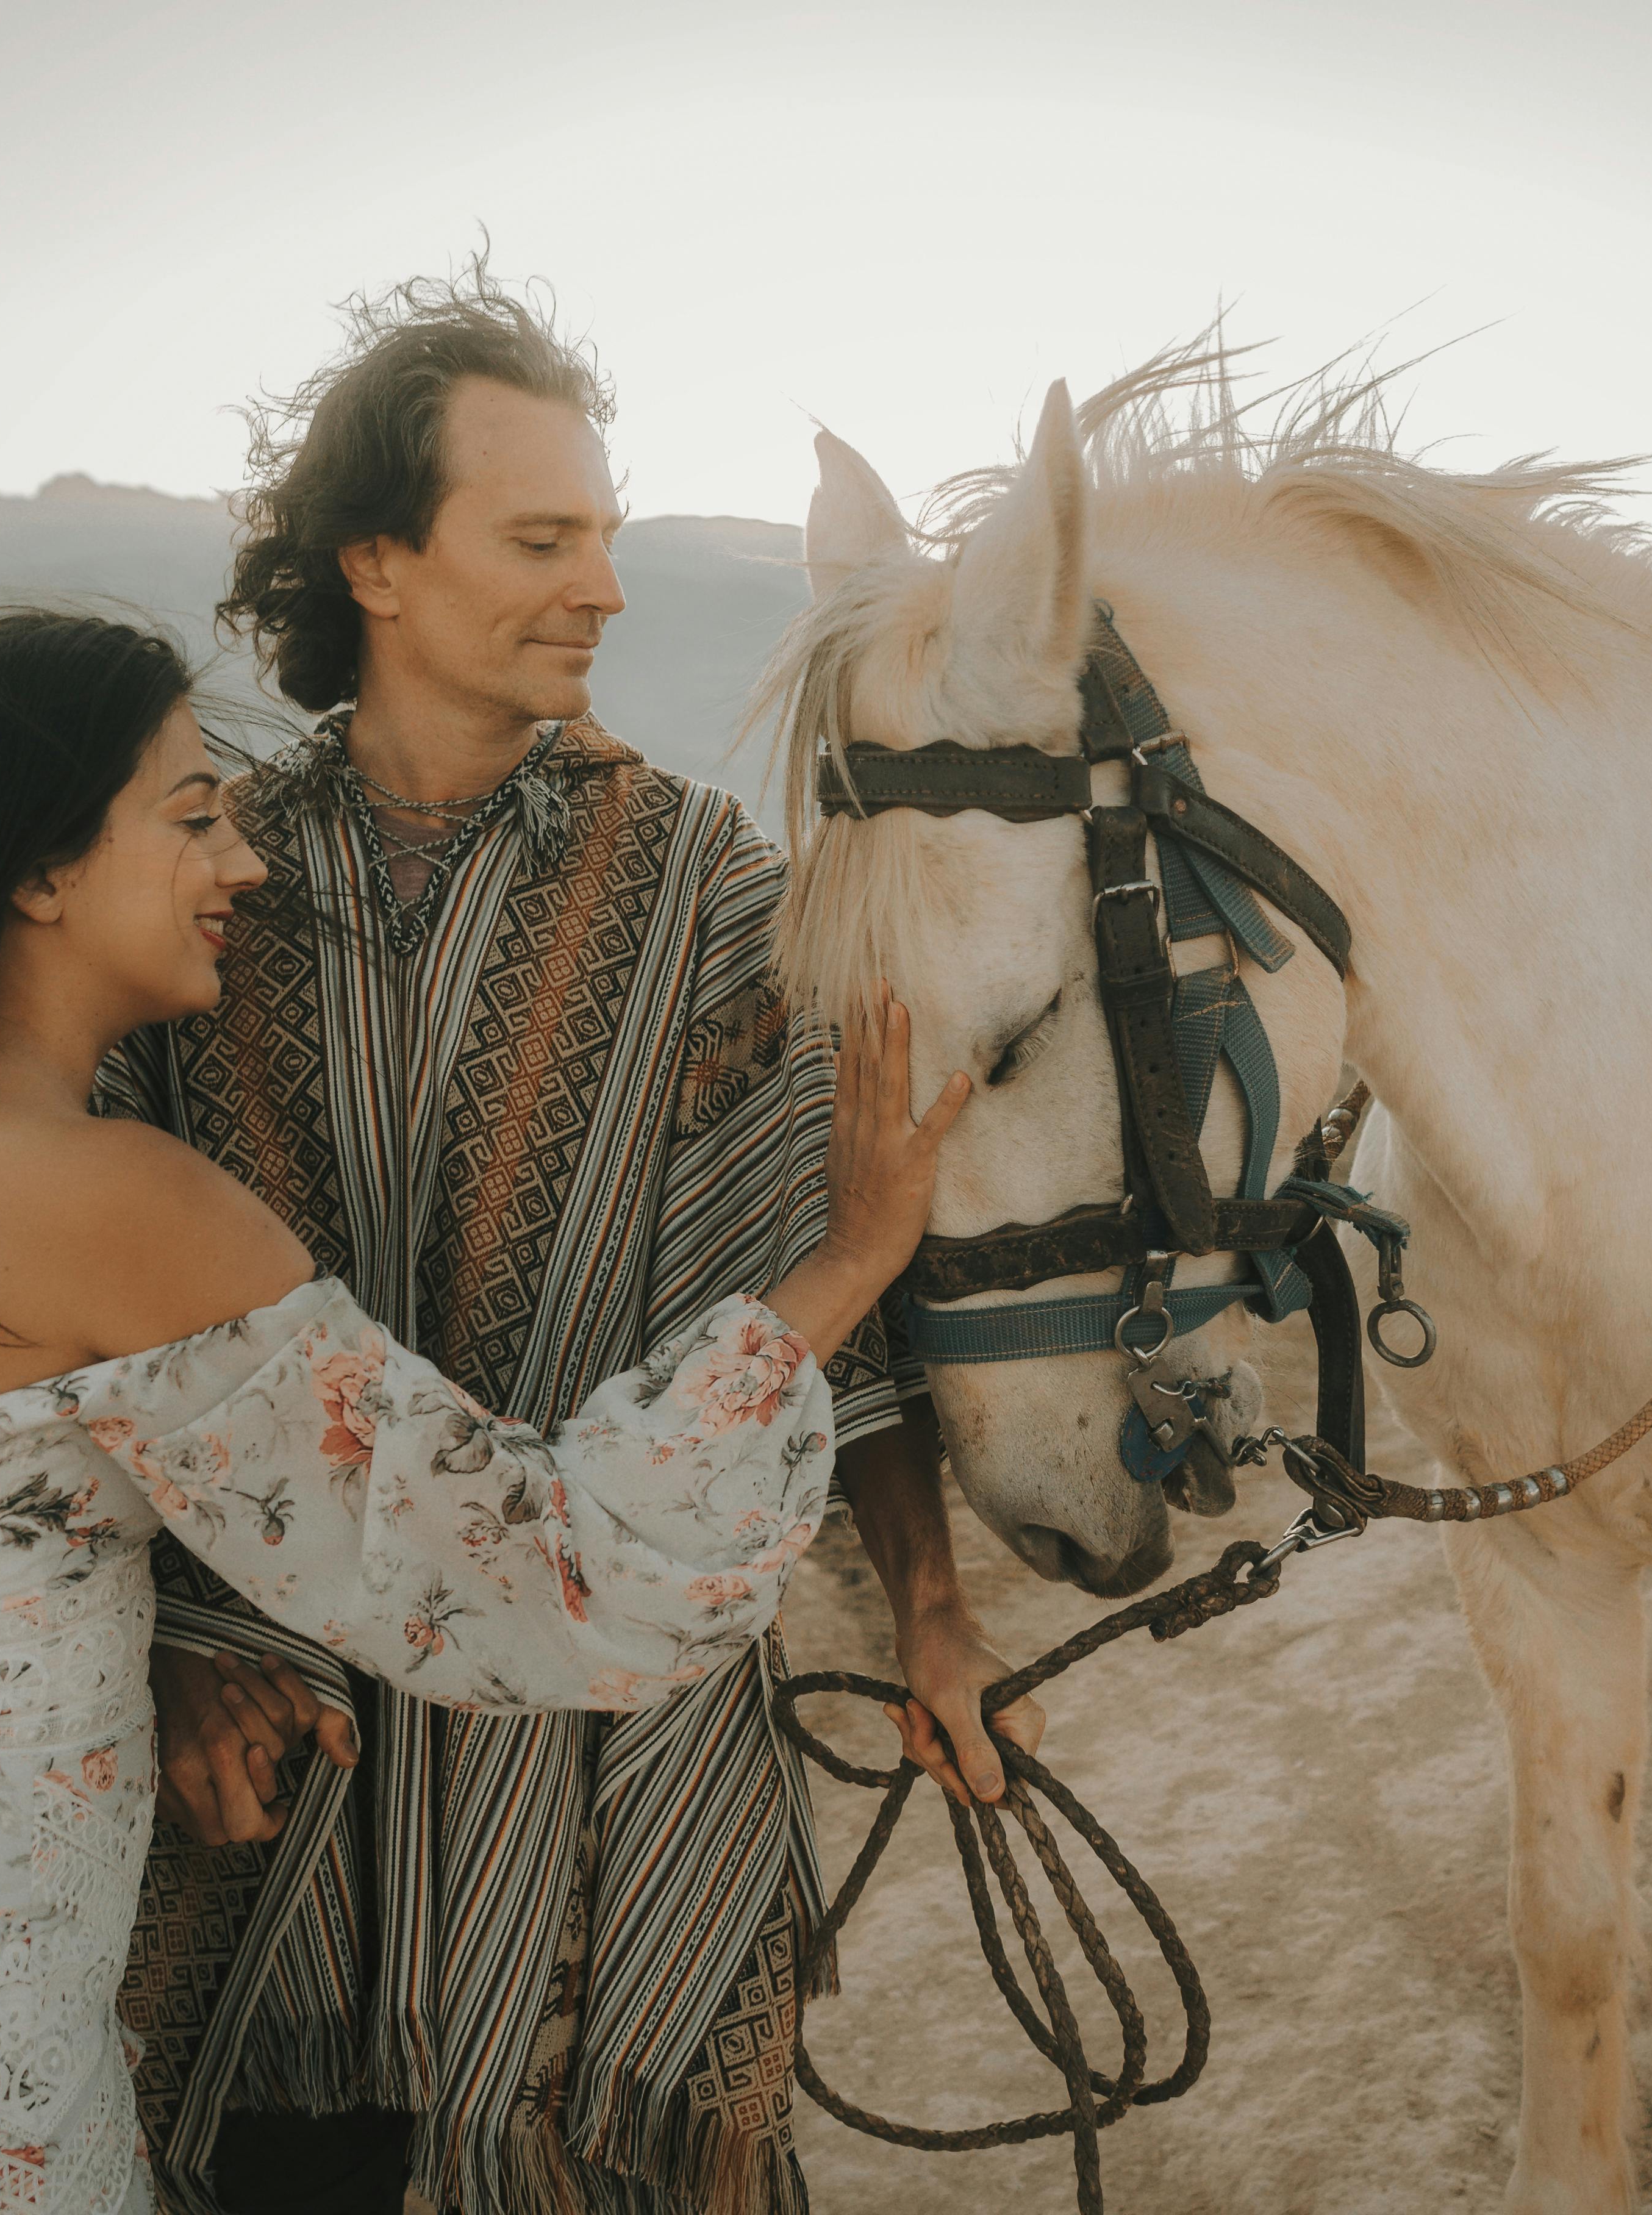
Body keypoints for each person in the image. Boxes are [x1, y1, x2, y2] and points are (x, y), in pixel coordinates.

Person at [0, 610, 965, 2215]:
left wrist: (159, 1645)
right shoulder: (107, 1200)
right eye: (188, 818)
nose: (243, 862)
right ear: (34, 870)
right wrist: (845, 1262)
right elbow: (528, 1584)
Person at [93, 267, 1034, 2215]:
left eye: (604, 536)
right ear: (375, 558)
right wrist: (172, 1656)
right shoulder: (201, 897)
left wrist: (931, 1609)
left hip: (628, 1758)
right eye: (542, 538)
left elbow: (830, 1310)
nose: (600, 587)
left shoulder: (713, 893)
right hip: (285, 1785)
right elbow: (85, 1346)